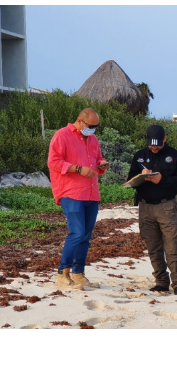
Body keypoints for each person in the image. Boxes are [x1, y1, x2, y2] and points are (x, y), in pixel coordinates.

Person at [47, 107, 109, 290]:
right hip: (70, 192)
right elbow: (53, 162)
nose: (93, 130)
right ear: (80, 121)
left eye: (96, 127)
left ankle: (79, 273)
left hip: (91, 192)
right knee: (77, 232)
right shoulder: (61, 135)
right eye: (91, 126)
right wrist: (78, 168)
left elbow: (97, 160)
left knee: (86, 235)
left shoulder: (93, 139)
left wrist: (101, 165)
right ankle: (62, 273)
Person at [126, 124, 177, 296]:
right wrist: (141, 177)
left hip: (166, 206)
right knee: (153, 247)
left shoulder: (175, 156)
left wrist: (162, 179)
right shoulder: (139, 156)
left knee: (172, 246)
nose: (154, 147)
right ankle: (161, 281)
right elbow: (130, 178)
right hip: (145, 207)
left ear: (165, 139)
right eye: (151, 144)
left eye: (157, 144)